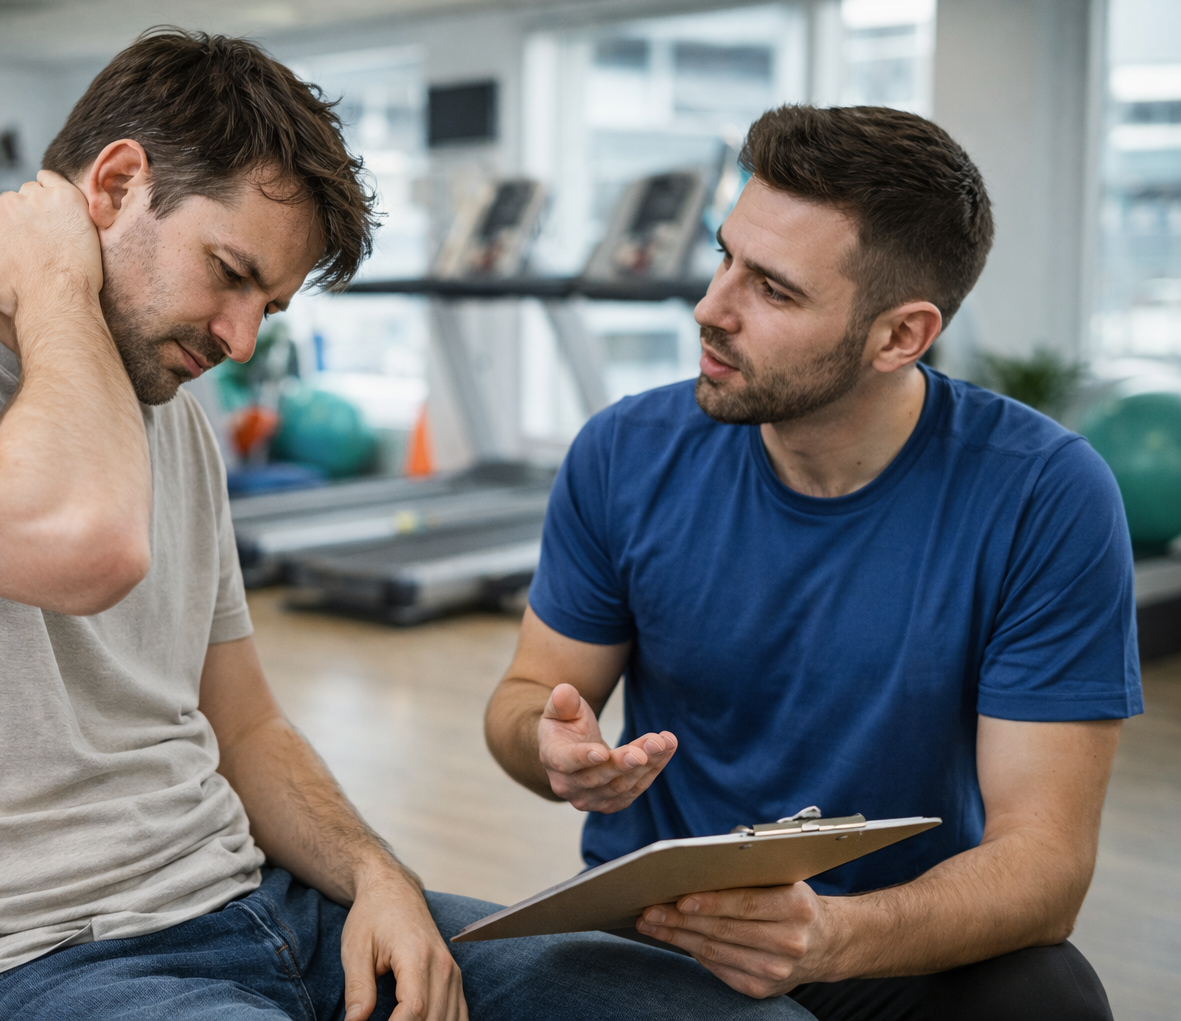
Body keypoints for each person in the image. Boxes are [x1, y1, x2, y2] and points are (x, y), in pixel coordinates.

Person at [0, 29, 817, 1021]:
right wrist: (56, 276)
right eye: (230, 275)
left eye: (270, 307)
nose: (241, 338)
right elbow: (83, 545)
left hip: (254, 912)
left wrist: (379, 877)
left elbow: (244, 729)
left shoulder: (172, 418)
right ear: (112, 185)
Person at [485, 104, 1140, 1021]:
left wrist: (832, 939)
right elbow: (527, 698)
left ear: (900, 337)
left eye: (774, 291)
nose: (712, 308)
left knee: (1049, 997)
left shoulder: (1044, 494)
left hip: (893, 927)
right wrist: (554, 749)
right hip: (670, 932)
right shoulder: (623, 451)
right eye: (725, 257)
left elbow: (1046, 866)